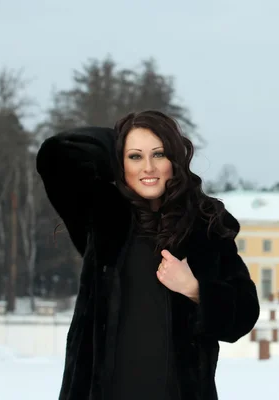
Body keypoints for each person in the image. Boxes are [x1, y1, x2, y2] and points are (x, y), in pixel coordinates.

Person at [36, 110, 260, 400]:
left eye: (159, 154)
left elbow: (243, 314)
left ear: (174, 160)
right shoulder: (102, 216)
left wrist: (195, 289)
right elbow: (54, 155)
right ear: (120, 163)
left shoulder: (204, 227)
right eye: (135, 157)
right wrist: (118, 138)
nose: (148, 168)